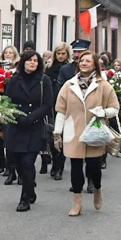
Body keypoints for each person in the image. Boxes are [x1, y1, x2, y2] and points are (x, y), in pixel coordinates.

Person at [54, 50, 119, 216]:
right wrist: (57, 132)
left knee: (94, 168)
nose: (83, 63)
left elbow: (115, 108)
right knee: (75, 168)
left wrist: (103, 112)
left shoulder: (103, 85)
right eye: (82, 61)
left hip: (94, 132)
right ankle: (77, 203)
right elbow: (61, 110)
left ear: (95, 65)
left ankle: (97, 189)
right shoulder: (69, 85)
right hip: (73, 131)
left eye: (88, 61)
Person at [3, 50, 53, 212]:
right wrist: (17, 117)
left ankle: (24, 198)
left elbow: (47, 104)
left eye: (35, 61)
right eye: (29, 60)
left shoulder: (43, 80)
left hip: (34, 126)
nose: (32, 63)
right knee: (17, 162)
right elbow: (7, 102)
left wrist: (31, 118)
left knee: (27, 162)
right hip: (16, 126)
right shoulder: (13, 80)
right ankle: (30, 189)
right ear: (23, 62)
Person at [45, 43, 71, 180]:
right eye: (59, 54)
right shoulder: (49, 69)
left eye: (63, 54)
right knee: (53, 135)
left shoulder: (70, 69)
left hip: (67, 106)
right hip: (52, 105)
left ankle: (60, 165)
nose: (61, 56)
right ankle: (54, 162)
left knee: (65, 136)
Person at [0, 45, 19, 177]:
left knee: (9, 136)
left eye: (10, 53)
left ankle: (10, 164)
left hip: (12, 104)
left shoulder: (18, 70)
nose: (8, 55)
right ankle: (2, 160)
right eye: (6, 53)